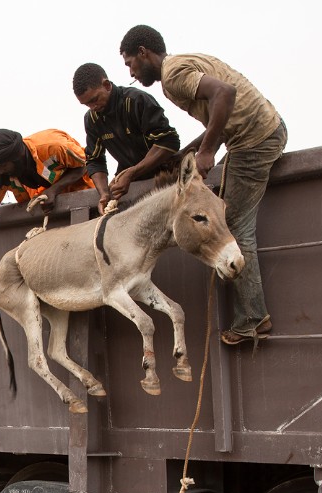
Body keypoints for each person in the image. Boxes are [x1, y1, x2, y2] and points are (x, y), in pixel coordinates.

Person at [119, 25, 287, 346]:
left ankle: (252, 320)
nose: (130, 73)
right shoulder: (184, 63)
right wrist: (190, 151)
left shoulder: (173, 77)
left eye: (130, 64)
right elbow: (220, 117)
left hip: (255, 142)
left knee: (232, 225)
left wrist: (207, 151)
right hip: (266, 129)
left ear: (144, 53)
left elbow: (225, 94)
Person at [0, 128, 93, 263]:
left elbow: (86, 163)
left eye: (3, 165)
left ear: (18, 156)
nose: (0, 170)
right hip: (51, 222)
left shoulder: (52, 147)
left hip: (85, 209)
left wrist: (54, 190)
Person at [73, 62, 180, 214]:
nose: (93, 107)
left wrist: (132, 173)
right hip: (130, 183)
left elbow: (168, 142)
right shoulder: (92, 119)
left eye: (94, 99)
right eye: (87, 104)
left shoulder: (137, 100)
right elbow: (95, 160)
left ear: (107, 85)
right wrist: (104, 193)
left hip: (168, 177)